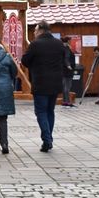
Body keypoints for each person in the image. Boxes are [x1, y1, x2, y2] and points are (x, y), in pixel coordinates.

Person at [21, 21, 65, 152]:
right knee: (50, 111)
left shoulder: (35, 44)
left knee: (41, 111)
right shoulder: (59, 43)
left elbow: (25, 61)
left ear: (40, 30)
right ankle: (48, 137)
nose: (34, 33)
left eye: (35, 30)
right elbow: (64, 59)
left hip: (40, 83)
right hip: (55, 83)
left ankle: (47, 139)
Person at [60, 40, 76, 107]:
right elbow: (66, 58)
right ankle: (68, 101)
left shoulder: (62, 49)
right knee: (67, 86)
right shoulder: (67, 49)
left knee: (64, 86)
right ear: (67, 42)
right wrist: (68, 65)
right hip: (68, 70)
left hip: (63, 70)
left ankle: (64, 101)